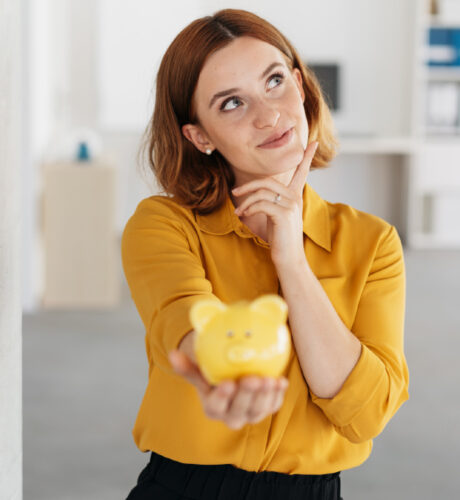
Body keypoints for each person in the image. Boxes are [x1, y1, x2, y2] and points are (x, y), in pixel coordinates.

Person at [121, 8, 409, 500]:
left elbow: (365, 414)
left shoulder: (373, 243)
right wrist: (219, 377)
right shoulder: (164, 224)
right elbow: (185, 322)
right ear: (200, 136)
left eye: (275, 80)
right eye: (232, 103)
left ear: (300, 85)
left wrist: (292, 259)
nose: (268, 114)